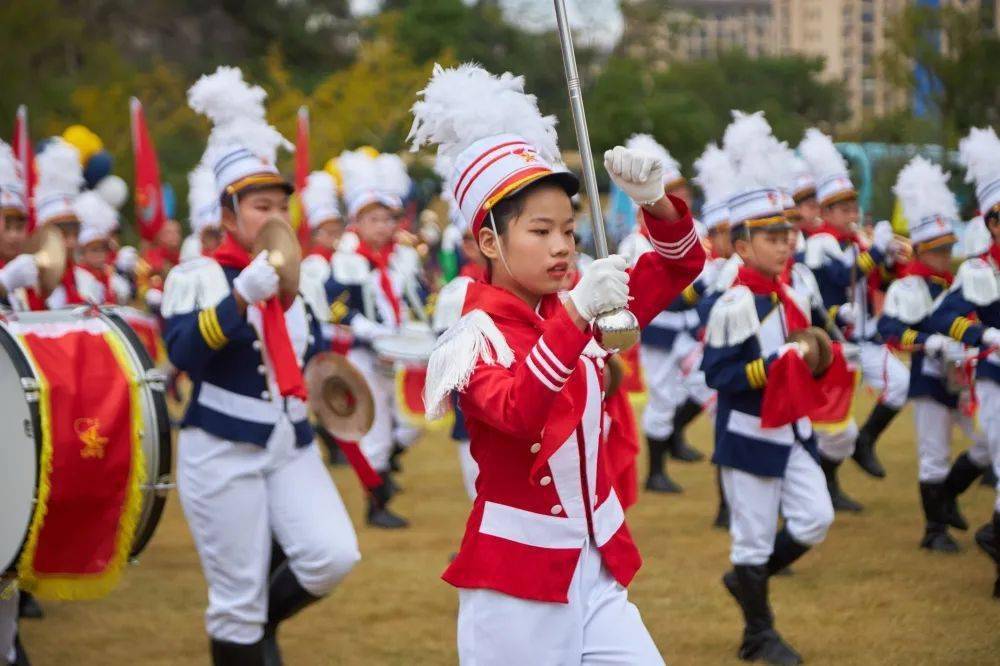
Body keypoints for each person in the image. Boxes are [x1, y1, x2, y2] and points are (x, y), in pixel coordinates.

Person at [414, 62, 704, 665]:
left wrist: (657, 205)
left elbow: (678, 266)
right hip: (516, 585)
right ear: (489, 241)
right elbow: (518, 413)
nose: (562, 246)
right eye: (541, 230)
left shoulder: (581, 301)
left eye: (568, 230)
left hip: (595, 566)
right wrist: (576, 315)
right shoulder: (472, 334)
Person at [164, 65, 359, 665]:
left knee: (332, 555)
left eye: (279, 204)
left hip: (290, 439)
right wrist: (240, 296)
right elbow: (182, 354)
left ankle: (254, 633)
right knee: (235, 600)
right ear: (228, 216)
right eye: (259, 205)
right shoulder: (195, 274)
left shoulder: (299, 284)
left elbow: (309, 358)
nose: (274, 215)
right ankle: (247, 634)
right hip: (221, 445)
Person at [702, 152, 838, 662]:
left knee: (815, 520)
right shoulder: (734, 303)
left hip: (794, 430)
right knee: (753, 539)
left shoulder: (791, 291)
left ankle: (747, 584)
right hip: (751, 435)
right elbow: (719, 376)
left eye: (787, 235)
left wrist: (814, 357)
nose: (784, 245)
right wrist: (775, 364)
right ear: (741, 246)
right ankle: (759, 633)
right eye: (771, 237)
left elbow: (806, 355)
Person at [878, 156, 992, 554]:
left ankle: (948, 498)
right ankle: (934, 530)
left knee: (984, 443)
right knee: (933, 456)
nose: (946, 256)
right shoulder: (906, 288)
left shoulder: (953, 281)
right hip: (929, 379)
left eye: (949, 249)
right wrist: (930, 343)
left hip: (962, 377)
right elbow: (889, 332)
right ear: (921, 251)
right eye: (938, 251)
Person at [799, 127, 909, 510]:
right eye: (843, 209)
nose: (852, 215)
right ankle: (819, 485)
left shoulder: (855, 241)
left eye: (853, 208)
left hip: (866, 337)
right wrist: (875, 252)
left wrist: (890, 261)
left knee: (900, 383)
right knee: (828, 424)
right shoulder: (819, 243)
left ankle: (866, 443)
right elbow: (838, 278)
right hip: (835, 341)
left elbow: (877, 281)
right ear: (827, 212)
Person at [324, 149, 427, 528]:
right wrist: (365, 327)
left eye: (387, 218)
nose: (382, 226)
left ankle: (383, 478)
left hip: (402, 351)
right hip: (366, 354)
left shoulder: (403, 257)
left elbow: (420, 295)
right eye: (373, 218)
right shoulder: (348, 258)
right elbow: (333, 305)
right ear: (358, 221)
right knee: (378, 430)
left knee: (413, 422)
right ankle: (376, 503)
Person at [617, 134, 704, 496]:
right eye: (671, 194)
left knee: (701, 383)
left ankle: (672, 438)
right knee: (664, 396)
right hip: (657, 330)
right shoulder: (635, 242)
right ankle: (655, 471)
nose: (679, 200)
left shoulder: (688, 231)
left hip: (685, 327)